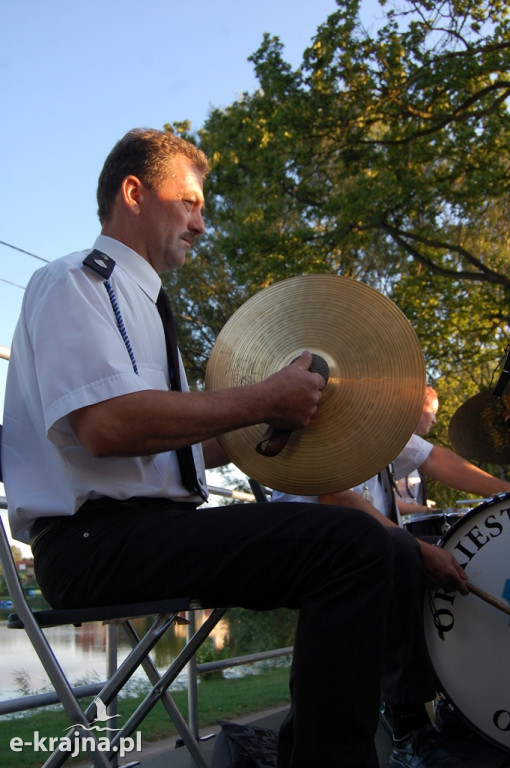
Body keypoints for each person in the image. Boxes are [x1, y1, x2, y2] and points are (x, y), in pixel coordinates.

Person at [2, 128, 398, 768]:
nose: (202, 223)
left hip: (149, 531)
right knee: (352, 548)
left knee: (387, 550)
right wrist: (263, 399)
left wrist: (285, 428)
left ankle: (348, 742)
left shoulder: (144, 303)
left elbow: (168, 450)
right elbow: (107, 428)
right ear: (134, 193)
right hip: (90, 545)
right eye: (189, 202)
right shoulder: (75, 282)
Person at [273, 388, 510, 768]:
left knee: (452, 550)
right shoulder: (314, 418)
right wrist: (413, 547)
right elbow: (334, 497)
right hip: (306, 541)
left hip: (362, 542)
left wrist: (506, 494)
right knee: (401, 549)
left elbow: (438, 460)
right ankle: (408, 729)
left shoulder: (377, 423)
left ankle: (458, 699)